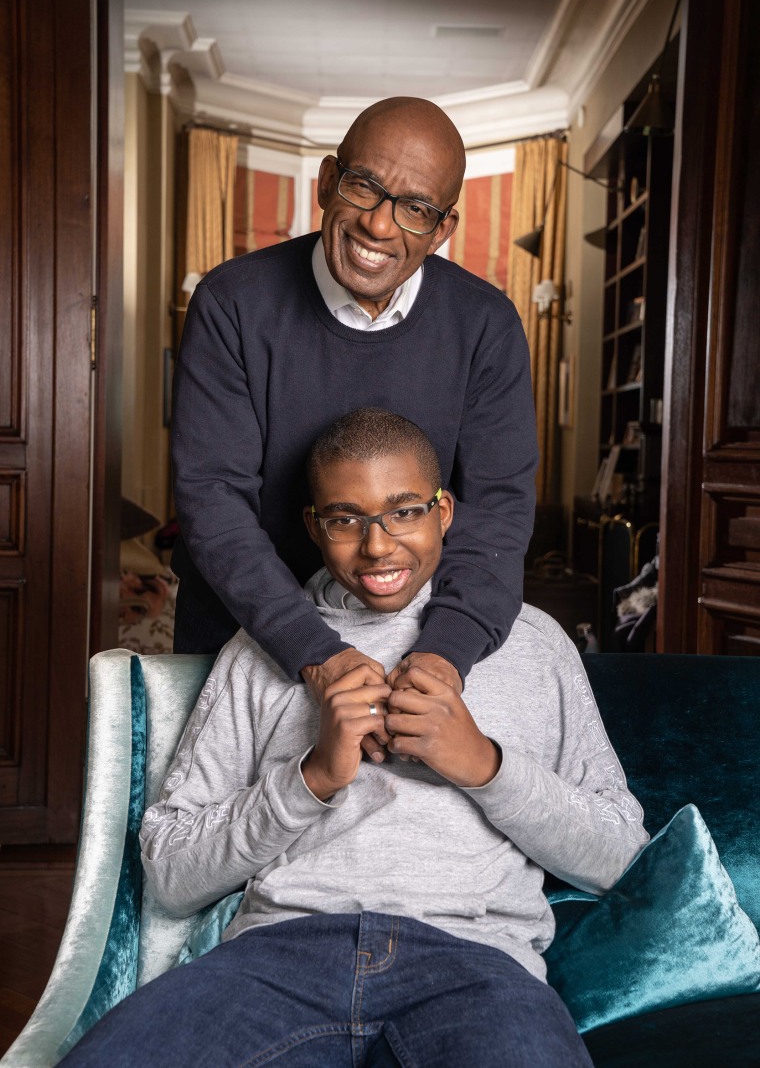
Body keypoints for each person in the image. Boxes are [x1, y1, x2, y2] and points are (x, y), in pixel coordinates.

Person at [64, 409, 647, 1068]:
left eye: (404, 512)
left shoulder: (534, 643)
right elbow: (169, 873)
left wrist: (485, 766)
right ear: (315, 526)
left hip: (478, 968)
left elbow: (621, 856)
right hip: (278, 959)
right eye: (346, 519)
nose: (377, 547)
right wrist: (309, 779)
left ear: (444, 512)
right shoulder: (261, 652)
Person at [171, 97, 538, 736]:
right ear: (325, 183)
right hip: (242, 635)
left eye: (416, 208)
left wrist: (442, 657)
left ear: (443, 229)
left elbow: (497, 511)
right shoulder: (231, 303)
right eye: (364, 186)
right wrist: (315, 654)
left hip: (415, 651)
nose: (379, 226)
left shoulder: (486, 325)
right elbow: (212, 498)